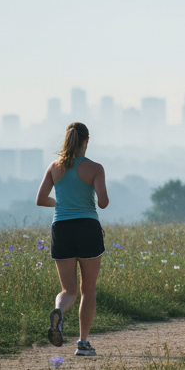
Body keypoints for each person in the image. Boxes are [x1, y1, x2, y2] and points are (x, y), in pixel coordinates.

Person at [36, 122, 110, 356]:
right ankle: (83, 342)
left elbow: (40, 199)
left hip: (62, 228)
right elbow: (103, 202)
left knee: (68, 290)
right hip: (87, 227)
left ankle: (59, 309)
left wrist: (63, 203)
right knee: (88, 289)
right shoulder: (95, 168)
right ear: (86, 141)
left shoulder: (54, 167)